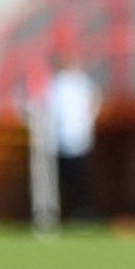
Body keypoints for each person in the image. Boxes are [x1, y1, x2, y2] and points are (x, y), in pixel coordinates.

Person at [45, 54, 100, 222]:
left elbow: (94, 102)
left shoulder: (81, 83)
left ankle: (85, 212)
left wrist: (88, 123)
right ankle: (69, 212)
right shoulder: (56, 84)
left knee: (82, 179)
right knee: (66, 180)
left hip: (79, 139)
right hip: (60, 141)